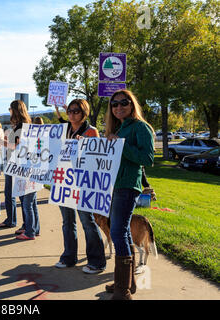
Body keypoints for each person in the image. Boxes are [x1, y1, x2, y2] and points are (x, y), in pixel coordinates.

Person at [104, 89, 155, 300]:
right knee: (122, 231)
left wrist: (121, 145)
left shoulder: (140, 127)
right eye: (114, 104)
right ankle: (126, 283)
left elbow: (147, 158)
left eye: (123, 102)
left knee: (116, 232)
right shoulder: (120, 128)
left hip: (128, 186)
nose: (118, 107)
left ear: (132, 103)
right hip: (114, 185)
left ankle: (122, 290)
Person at [53, 99, 106, 274]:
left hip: (83, 183)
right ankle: (69, 257)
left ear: (84, 113)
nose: (72, 114)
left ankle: (97, 261)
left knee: (87, 221)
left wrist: (85, 145)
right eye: (70, 111)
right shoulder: (63, 130)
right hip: (64, 181)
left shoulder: (91, 131)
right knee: (67, 221)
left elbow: (98, 159)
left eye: (76, 111)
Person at [0, 100, 32, 232]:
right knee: (16, 195)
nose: (9, 111)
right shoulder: (23, 125)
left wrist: (1, 142)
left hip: (16, 164)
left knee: (16, 195)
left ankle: (21, 223)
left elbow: (16, 146)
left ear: (15, 110)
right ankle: (19, 222)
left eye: (10, 109)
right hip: (15, 163)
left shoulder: (21, 126)